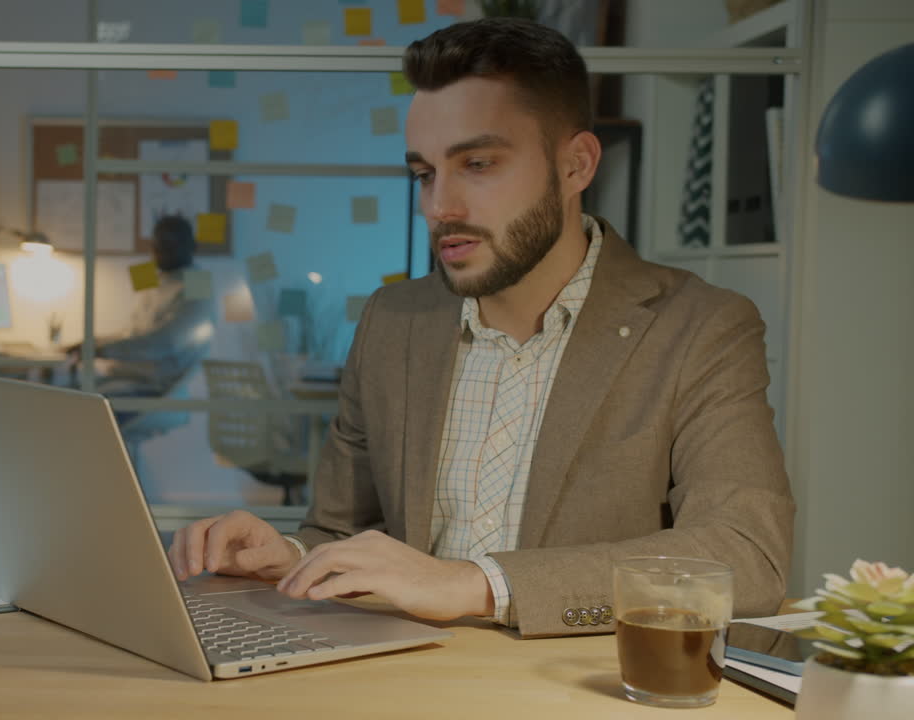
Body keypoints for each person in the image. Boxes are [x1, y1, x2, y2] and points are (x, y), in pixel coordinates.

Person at [168, 18, 794, 638]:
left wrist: (474, 584)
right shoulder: (393, 323)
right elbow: (339, 530)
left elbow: (746, 557)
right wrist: (293, 556)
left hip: (577, 692)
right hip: (395, 678)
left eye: (479, 163)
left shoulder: (700, 327)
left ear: (576, 165)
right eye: (425, 173)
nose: (441, 207)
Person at [66, 214, 214, 398]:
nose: (160, 251)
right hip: (129, 377)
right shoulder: (159, 279)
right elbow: (134, 333)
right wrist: (94, 342)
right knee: (67, 394)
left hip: (157, 388)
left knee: (77, 406)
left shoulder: (198, 284)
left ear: (192, 247)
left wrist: (102, 349)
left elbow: (164, 342)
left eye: (169, 245)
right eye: (157, 245)